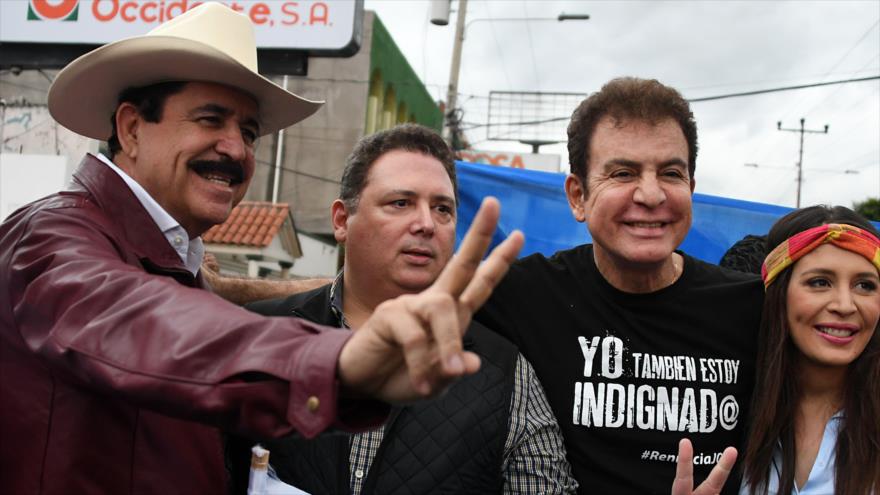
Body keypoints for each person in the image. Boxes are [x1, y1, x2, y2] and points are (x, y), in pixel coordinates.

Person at [0, 4, 523, 493]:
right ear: (132, 128)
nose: (235, 148)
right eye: (210, 120)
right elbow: (139, 322)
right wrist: (335, 360)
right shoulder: (49, 238)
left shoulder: (170, 261)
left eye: (248, 132)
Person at [205, 77, 761, 494]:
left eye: (671, 173)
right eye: (622, 173)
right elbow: (380, 288)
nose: (651, 194)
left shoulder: (752, 309)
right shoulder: (526, 294)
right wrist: (223, 292)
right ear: (577, 195)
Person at [227, 124, 577, 494]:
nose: (426, 224)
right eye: (400, 203)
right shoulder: (260, 331)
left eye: (442, 209)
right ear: (342, 220)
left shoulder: (503, 371)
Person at [739, 206, 880, 494]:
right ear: (778, 293)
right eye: (820, 282)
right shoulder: (728, 408)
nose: (844, 305)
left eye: (865, 285)